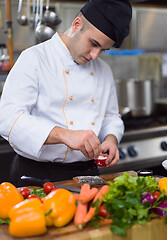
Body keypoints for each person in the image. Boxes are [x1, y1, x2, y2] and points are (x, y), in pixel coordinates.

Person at [0, 0, 132, 187]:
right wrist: (64, 135)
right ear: (76, 24)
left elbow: (111, 116)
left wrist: (111, 139)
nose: (95, 55)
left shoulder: (103, 70)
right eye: (93, 43)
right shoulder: (34, 59)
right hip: (37, 174)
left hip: (88, 174)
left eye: (102, 49)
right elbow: (7, 118)